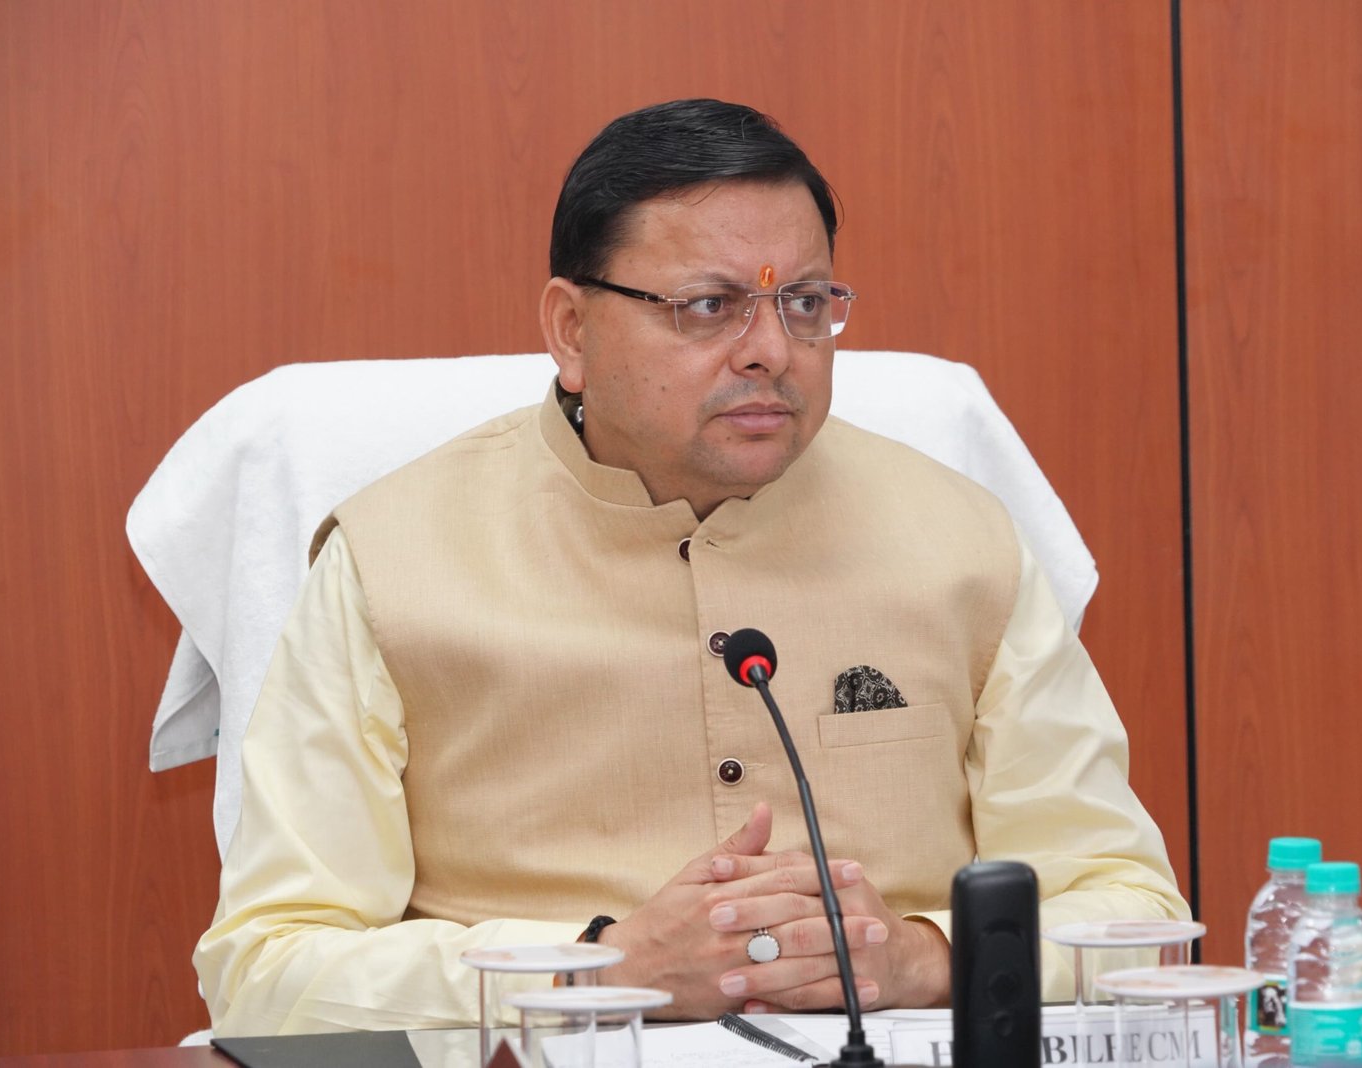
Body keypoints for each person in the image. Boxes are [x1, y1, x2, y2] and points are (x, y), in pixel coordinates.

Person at [194, 97, 1187, 1036]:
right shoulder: (391, 562)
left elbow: (1134, 911)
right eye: (710, 306)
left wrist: (927, 957)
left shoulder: (960, 542)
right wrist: (596, 969)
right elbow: (268, 969)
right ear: (572, 330)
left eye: (805, 303)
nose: (771, 351)